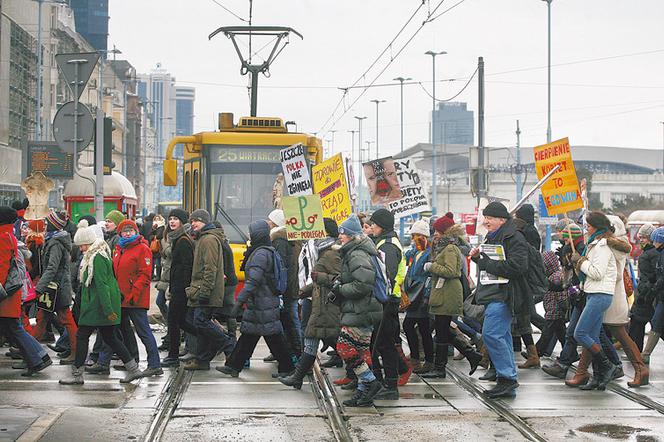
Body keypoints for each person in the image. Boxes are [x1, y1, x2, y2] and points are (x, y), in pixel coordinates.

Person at [59, 222, 142, 385]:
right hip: (101, 305)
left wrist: (108, 310)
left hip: (97, 306)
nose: (81, 249)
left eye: (82, 245)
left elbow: (103, 286)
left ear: (88, 242)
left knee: (82, 336)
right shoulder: (100, 253)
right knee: (111, 338)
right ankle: (134, 370)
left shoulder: (95, 258)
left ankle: (77, 375)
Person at [217, 220, 294, 378]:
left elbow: (253, 282)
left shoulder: (260, 254)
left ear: (258, 234)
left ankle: (288, 369)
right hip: (263, 301)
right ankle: (233, 366)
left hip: (262, 302)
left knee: (272, 337)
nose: (249, 236)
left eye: (252, 233)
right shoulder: (266, 250)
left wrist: (239, 302)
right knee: (249, 335)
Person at [470, 202, 528, 398]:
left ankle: (507, 378)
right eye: (485, 217)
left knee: (492, 334)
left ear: (502, 220)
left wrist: (486, 263)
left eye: (490, 218)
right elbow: (491, 265)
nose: (486, 221)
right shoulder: (493, 237)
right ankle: (507, 378)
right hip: (493, 293)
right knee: (501, 335)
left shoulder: (514, 238)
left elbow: (517, 267)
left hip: (505, 295)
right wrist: (479, 260)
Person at [280, 218, 342, 389]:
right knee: (312, 337)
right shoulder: (321, 249)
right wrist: (304, 291)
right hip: (318, 302)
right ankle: (298, 377)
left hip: (327, 305)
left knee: (324, 338)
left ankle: (360, 376)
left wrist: (318, 279)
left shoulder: (330, 252)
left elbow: (339, 280)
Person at [329, 214, 383, 407]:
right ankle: (363, 391)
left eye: (343, 233)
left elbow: (363, 284)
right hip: (364, 309)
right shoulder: (355, 251)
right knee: (361, 351)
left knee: (344, 347)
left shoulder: (356, 254)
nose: (340, 237)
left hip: (361, 309)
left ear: (351, 235)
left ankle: (370, 381)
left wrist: (340, 289)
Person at [98, 219, 162, 377]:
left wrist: (133, 295)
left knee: (143, 331)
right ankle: (112, 362)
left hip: (135, 299)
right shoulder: (120, 248)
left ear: (136, 232)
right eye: (124, 231)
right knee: (115, 330)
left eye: (130, 230)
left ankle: (154, 364)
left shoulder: (142, 249)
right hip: (121, 298)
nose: (127, 233)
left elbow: (145, 275)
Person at [422, 216, 482, 379]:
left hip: (447, 293)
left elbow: (452, 271)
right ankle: (471, 354)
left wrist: (431, 266)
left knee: (442, 330)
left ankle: (440, 368)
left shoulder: (449, 248)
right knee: (443, 328)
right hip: (444, 292)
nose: (434, 234)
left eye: (436, 231)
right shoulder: (445, 246)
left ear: (443, 232)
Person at [569, 211, 620, 391]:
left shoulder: (601, 246)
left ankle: (607, 366)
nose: (586, 229)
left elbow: (597, 273)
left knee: (580, 333)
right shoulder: (595, 244)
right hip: (593, 293)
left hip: (600, 294)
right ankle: (599, 376)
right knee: (594, 334)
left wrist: (580, 262)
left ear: (596, 227)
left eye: (589, 226)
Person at [0, 207, 52, 376]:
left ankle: (37, 359)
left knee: (14, 328)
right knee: (13, 328)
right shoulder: (8, 235)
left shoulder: (2, 237)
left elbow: (2, 266)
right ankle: (39, 357)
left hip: (6, 292)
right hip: (11, 292)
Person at [183, 210, 236, 371]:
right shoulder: (204, 238)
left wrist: (205, 292)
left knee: (201, 321)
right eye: (192, 221)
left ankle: (228, 344)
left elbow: (210, 269)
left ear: (205, 222)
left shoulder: (208, 240)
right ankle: (203, 360)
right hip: (203, 289)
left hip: (206, 290)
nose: (193, 223)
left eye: (197, 221)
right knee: (200, 324)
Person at [601, 216, 648, 388]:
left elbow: (611, 273)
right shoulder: (614, 245)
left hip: (611, 296)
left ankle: (639, 368)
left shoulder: (614, 247)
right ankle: (587, 371)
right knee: (592, 332)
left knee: (617, 334)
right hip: (610, 296)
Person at [369, 208, 409, 400]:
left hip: (387, 300)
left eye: (374, 224)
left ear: (382, 225)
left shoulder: (388, 246)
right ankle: (395, 373)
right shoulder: (385, 242)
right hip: (386, 298)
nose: (372, 227)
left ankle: (391, 385)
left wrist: (381, 294)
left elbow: (388, 274)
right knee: (381, 342)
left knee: (384, 343)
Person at [31, 210, 78, 365]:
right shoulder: (54, 239)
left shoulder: (56, 243)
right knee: (42, 318)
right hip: (54, 288)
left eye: (47, 222)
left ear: (54, 224)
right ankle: (28, 348)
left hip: (56, 288)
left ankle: (76, 352)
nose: (45, 225)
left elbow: (52, 267)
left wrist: (39, 287)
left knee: (66, 319)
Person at [267, 209, 303, 362]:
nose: (268, 222)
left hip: (287, 288)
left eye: (270, 220)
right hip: (291, 286)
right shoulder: (289, 239)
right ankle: (286, 350)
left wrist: (279, 288)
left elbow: (280, 266)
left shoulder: (280, 241)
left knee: (290, 320)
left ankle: (296, 352)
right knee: (286, 319)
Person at [161, 209, 196, 367]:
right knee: (180, 321)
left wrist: (181, 290)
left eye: (175, 219)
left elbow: (186, 268)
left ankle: (173, 355)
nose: (172, 222)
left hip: (180, 290)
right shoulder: (178, 239)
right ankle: (207, 338)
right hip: (177, 288)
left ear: (182, 221)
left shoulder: (182, 241)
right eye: (170, 219)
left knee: (174, 322)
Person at [402, 220, 434, 374]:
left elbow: (430, 277)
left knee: (422, 328)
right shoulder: (414, 252)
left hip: (421, 295)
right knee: (414, 327)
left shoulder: (430, 253)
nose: (415, 239)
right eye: (414, 235)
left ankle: (426, 360)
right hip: (413, 294)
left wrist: (427, 296)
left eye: (418, 236)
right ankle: (418, 358)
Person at [629, 223, 657, 352]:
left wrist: (643, 294)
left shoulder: (650, 254)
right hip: (648, 293)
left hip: (646, 295)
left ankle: (635, 352)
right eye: (640, 237)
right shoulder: (650, 252)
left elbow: (650, 277)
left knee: (637, 324)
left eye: (644, 238)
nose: (641, 240)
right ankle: (636, 351)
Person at [535, 251, 569, 357]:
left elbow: (560, 294)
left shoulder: (555, 277)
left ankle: (536, 352)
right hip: (553, 310)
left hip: (554, 311)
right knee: (562, 334)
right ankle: (569, 353)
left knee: (546, 333)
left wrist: (563, 307)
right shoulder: (554, 276)